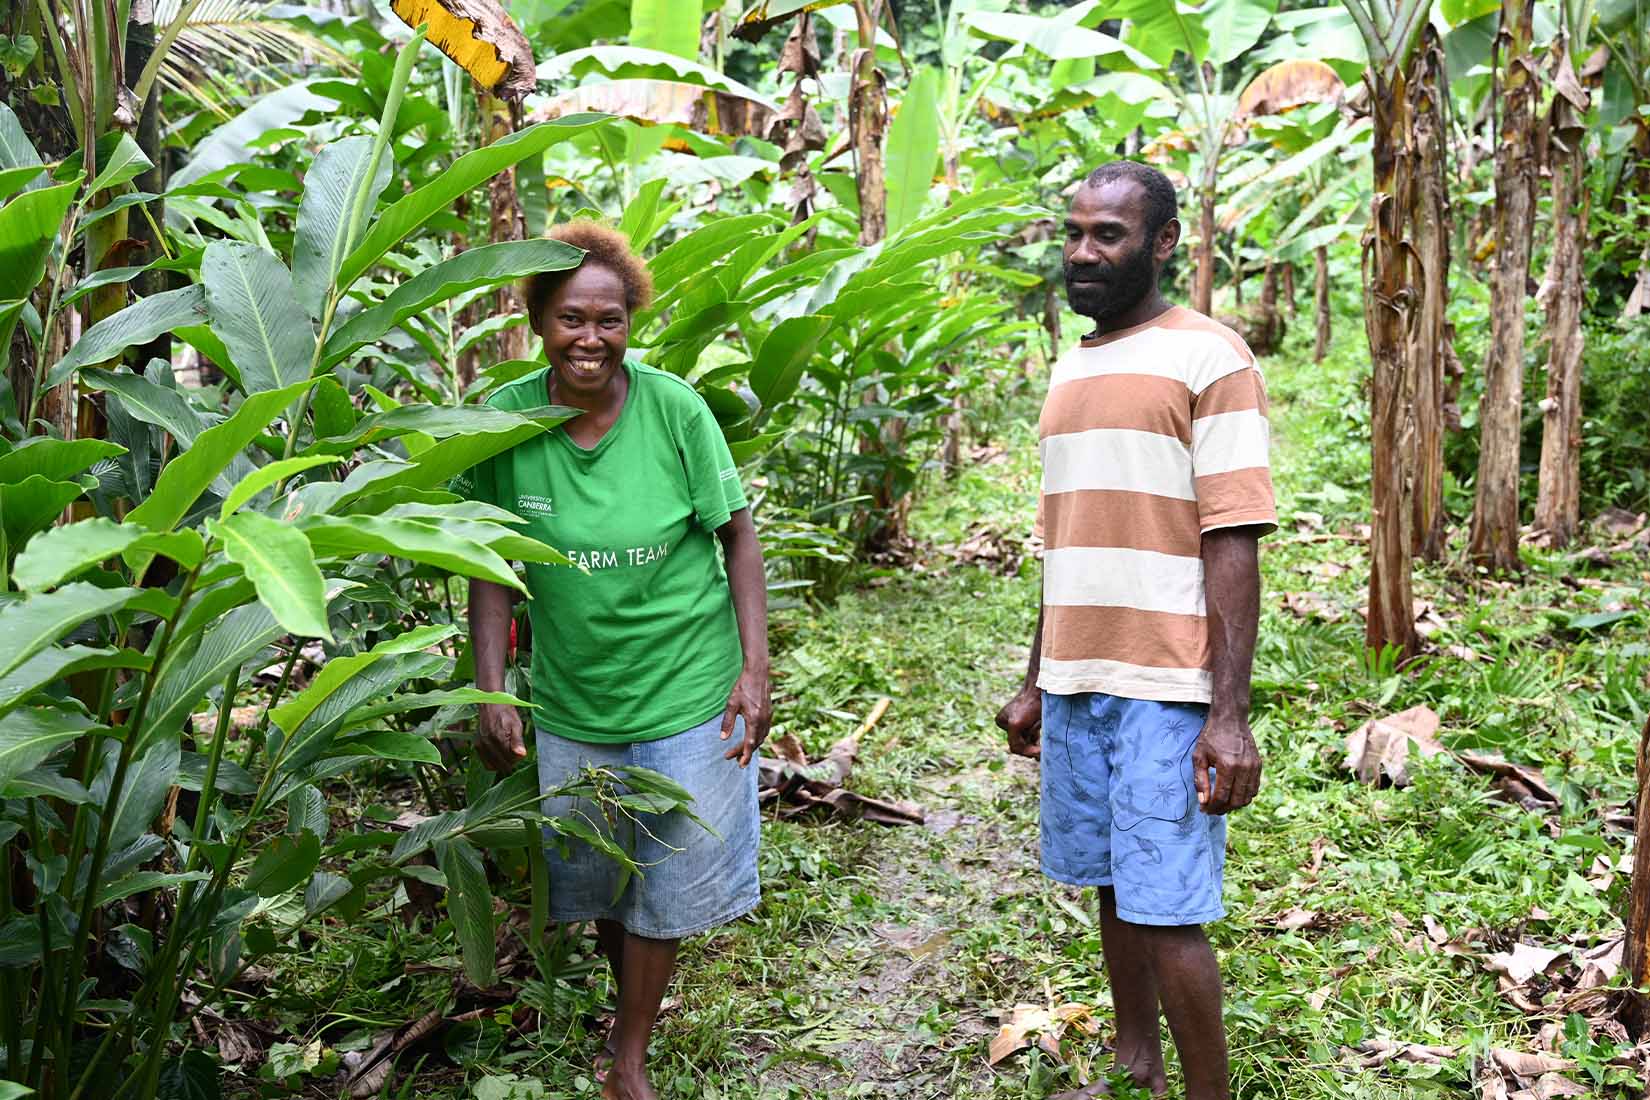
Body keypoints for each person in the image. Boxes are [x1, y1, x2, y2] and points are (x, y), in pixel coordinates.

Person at [457, 221, 771, 1100]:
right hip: (574, 698)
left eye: (609, 321)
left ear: (629, 323)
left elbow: (737, 536)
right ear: (538, 322)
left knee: (664, 888)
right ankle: (630, 1000)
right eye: (569, 320)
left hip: (684, 689)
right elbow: (490, 572)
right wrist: (492, 690)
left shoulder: (674, 411)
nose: (589, 339)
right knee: (598, 887)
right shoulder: (507, 423)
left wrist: (755, 669)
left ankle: (626, 1058)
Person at [995, 161, 1276, 1100]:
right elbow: (1066, 540)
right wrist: (1039, 676)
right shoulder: (1073, 364)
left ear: (1161, 243)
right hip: (1081, 676)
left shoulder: (1212, 358)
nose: (1081, 252)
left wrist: (1227, 715)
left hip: (1167, 682)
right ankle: (1133, 1059)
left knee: (1166, 909)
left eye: (1107, 234)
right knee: (1114, 881)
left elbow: (1232, 537)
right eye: (1072, 232)